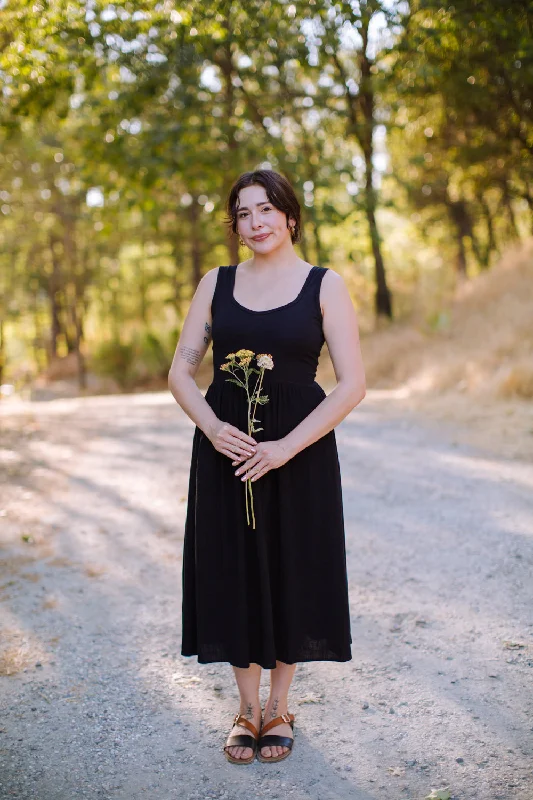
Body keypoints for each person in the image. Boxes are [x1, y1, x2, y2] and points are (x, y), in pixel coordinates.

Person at [168, 169, 366, 765]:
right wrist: (212, 427)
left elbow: (352, 385)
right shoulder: (216, 283)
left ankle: (280, 706)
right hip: (226, 452)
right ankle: (245, 708)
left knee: (291, 567)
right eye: (244, 214)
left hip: (297, 452)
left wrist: (285, 447)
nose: (254, 223)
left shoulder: (324, 285)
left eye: (265, 210)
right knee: (231, 569)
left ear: (290, 217)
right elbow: (180, 371)